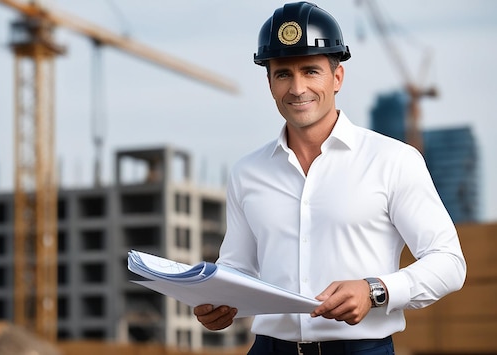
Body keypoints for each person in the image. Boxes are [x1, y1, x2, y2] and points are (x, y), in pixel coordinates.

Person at [193, 2, 466, 354]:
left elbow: (449, 262)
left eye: (310, 71)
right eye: (283, 74)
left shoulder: (393, 160)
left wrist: (375, 290)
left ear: (337, 78)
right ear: (269, 82)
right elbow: (236, 266)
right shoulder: (248, 172)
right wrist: (217, 301)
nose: (297, 88)